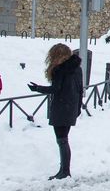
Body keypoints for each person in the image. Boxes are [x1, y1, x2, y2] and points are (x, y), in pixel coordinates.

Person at [28, 44, 84, 180]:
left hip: (61, 107)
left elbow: (55, 89)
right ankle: (64, 170)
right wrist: (77, 108)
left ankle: (64, 171)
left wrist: (37, 88)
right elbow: (80, 89)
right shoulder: (77, 68)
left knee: (62, 140)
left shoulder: (60, 70)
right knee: (64, 139)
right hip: (71, 107)